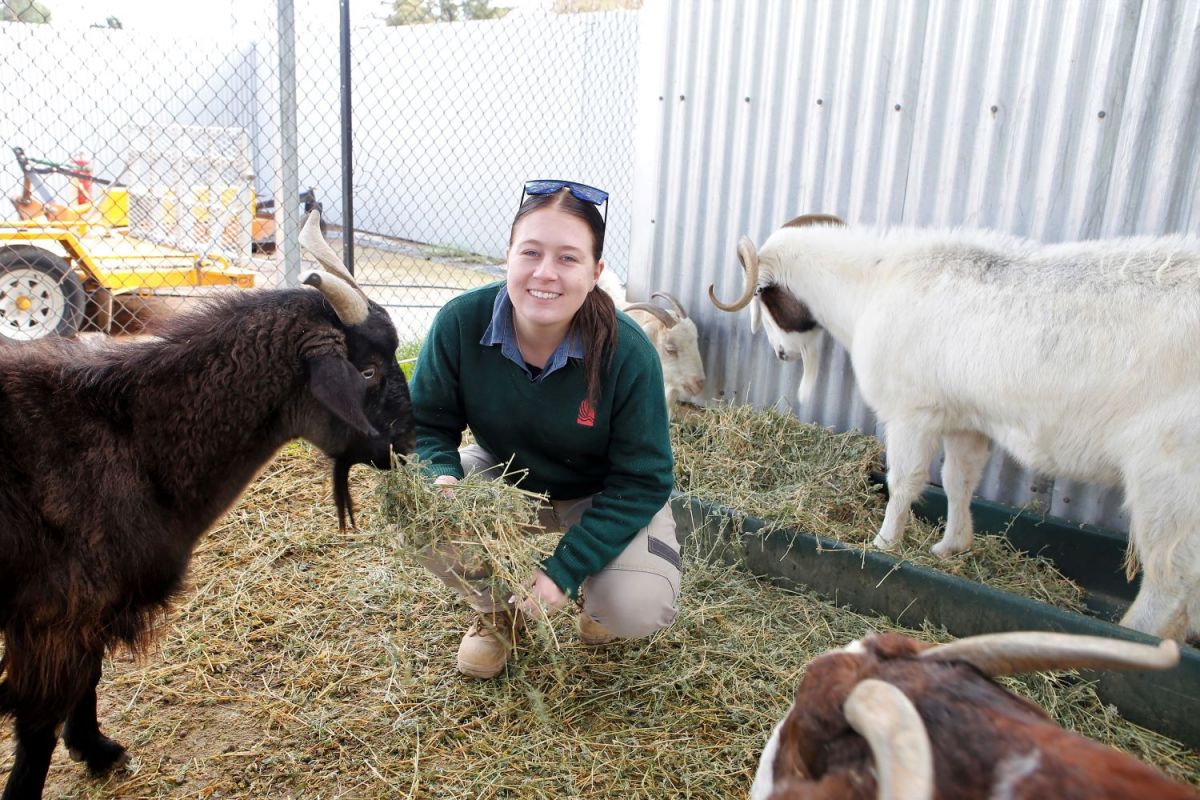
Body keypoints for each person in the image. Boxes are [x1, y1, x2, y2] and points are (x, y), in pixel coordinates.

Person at [409, 179, 681, 679]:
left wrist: (563, 571)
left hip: (602, 493)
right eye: (530, 252)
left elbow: (643, 479)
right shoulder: (460, 324)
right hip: (508, 477)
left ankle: (594, 598)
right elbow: (427, 424)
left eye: (568, 259)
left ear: (596, 272)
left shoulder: (628, 352)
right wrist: (442, 481)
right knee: (417, 506)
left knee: (633, 607)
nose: (545, 274)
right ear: (507, 257)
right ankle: (499, 613)